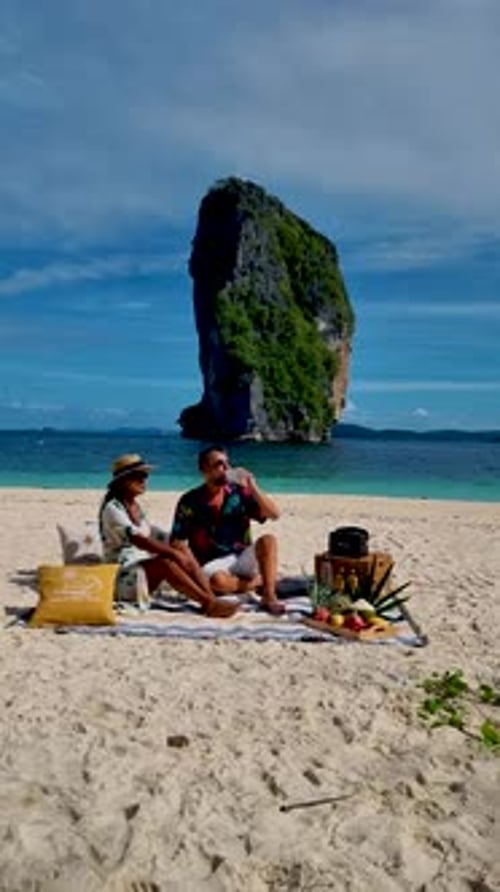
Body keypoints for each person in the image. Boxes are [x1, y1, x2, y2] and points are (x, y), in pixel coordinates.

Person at [99, 453, 238, 618]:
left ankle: (210, 598)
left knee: (182, 549)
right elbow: (138, 539)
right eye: (139, 476)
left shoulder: (135, 507)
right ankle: (208, 603)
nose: (144, 480)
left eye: (145, 475)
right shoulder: (112, 509)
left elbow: (152, 534)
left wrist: (179, 547)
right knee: (166, 562)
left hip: (140, 570)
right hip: (123, 575)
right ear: (123, 481)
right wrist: (172, 553)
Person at [170, 445, 285, 615]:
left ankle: (269, 595)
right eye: (219, 464)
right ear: (203, 469)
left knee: (268, 540)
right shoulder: (190, 501)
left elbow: (274, 514)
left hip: (241, 556)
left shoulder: (239, 494)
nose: (226, 469)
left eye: (227, 464)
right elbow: (177, 542)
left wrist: (252, 486)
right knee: (217, 582)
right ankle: (262, 582)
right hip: (212, 564)